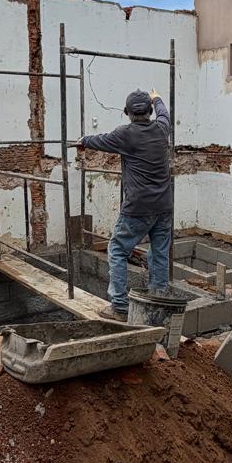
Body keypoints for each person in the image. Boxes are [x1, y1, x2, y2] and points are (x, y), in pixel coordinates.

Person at [78, 88, 173, 321]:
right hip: (164, 206)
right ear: (150, 111)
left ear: (126, 112)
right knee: (160, 254)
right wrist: (157, 97)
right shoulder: (162, 129)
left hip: (138, 207)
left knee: (118, 250)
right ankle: (157, 307)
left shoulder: (125, 134)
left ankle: (119, 307)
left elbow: (98, 141)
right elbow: (164, 113)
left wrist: (83, 141)